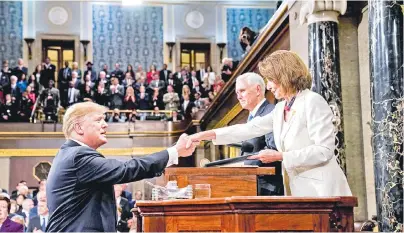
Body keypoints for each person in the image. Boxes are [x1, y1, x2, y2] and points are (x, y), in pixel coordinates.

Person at [186, 50, 352, 197]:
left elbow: (324, 151)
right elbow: (249, 129)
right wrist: (204, 135)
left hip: (323, 191)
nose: (269, 86)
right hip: (298, 191)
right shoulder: (280, 108)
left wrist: (281, 156)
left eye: (271, 79)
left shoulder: (312, 101)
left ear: (285, 76)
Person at [46, 102, 197, 232]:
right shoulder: (78, 156)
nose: (105, 125)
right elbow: (126, 169)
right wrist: (175, 151)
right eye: (98, 120)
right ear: (79, 128)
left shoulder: (70, 154)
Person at [235, 72, 283, 196]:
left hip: (269, 189)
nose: (239, 97)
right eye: (237, 93)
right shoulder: (251, 116)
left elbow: (274, 148)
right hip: (254, 185)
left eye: (242, 91)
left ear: (257, 90)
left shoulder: (270, 112)